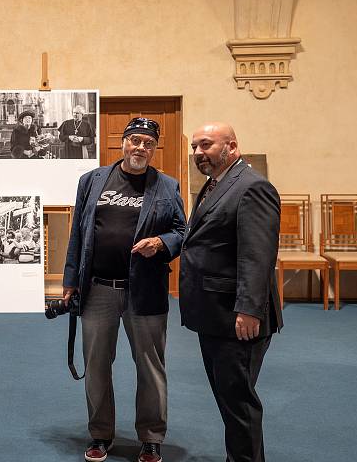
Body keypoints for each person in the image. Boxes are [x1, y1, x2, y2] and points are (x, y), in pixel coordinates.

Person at [63, 117, 186, 462]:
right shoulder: (92, 181)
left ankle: (151, 437)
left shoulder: (166, 186)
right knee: (97, 364)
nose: (141, 148)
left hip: (144, 290)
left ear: (154, 148)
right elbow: (78, 235)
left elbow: (183, 231)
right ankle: (101, 434)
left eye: (148, 143)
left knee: (150, 366)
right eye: (135, 141)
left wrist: (162, 243)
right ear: (123, 142)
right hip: (98, 288)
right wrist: (70, 280)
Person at [180, 122, 282, 462]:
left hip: (237, 318)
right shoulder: (213, 185)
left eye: (206, 145)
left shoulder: (252, 187)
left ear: (232, 147)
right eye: (194, 146)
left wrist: (250, 309)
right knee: (229, 399)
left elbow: (258, 255)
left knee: (239, 404)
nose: (198, 153)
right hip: (215, 314)